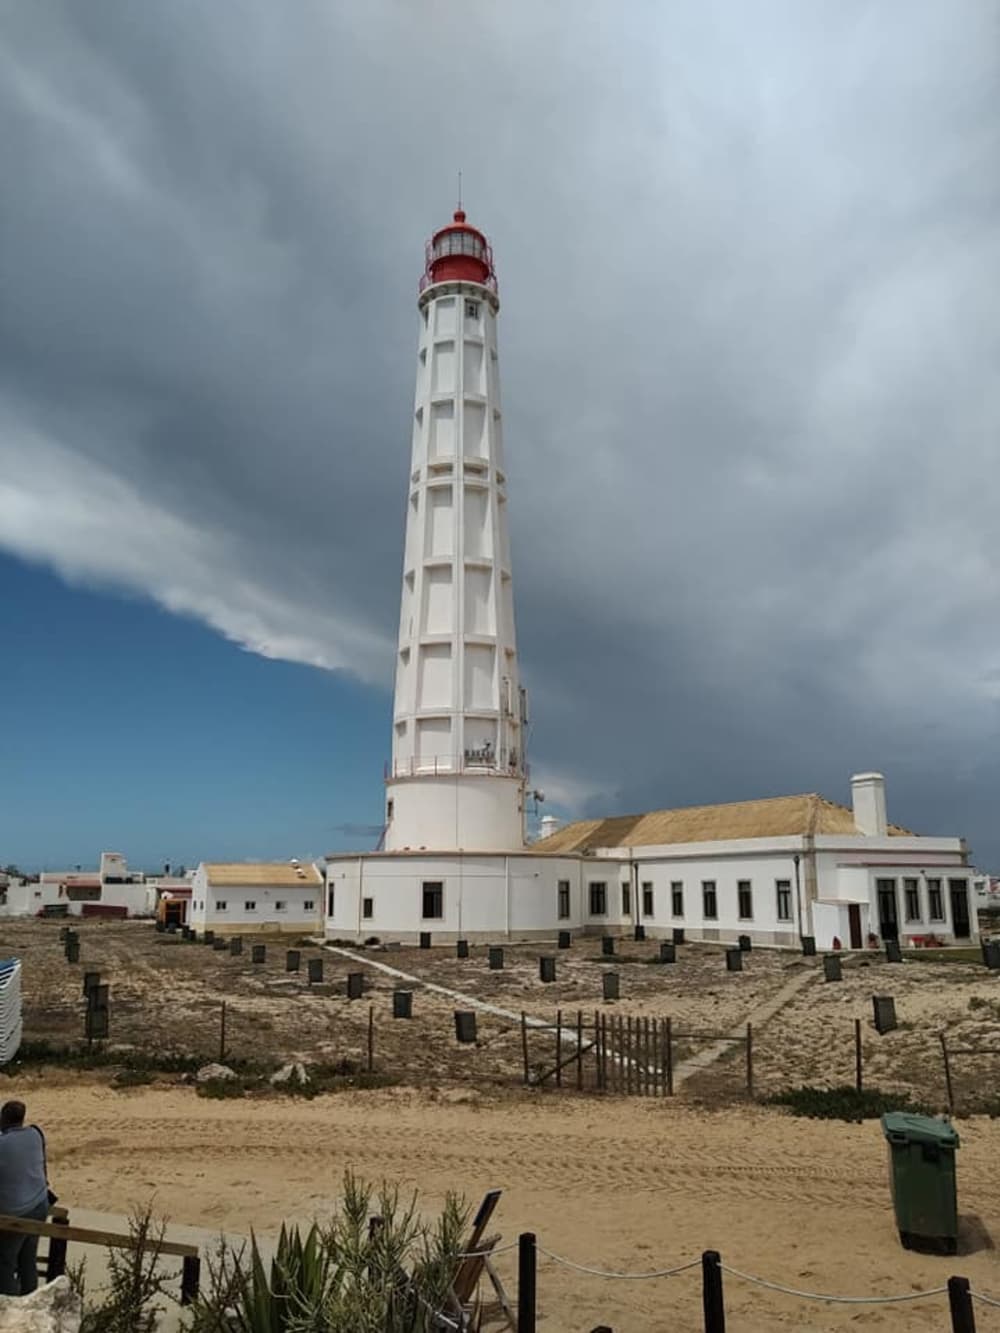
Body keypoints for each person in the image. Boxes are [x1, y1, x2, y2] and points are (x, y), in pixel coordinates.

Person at [0, 1101, 51, 1296]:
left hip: (16, 1212)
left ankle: (11, 1308)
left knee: (4, 1262)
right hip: (39, 1204)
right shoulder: (35, 1134)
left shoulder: (2, 1144)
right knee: (27, 1258)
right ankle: (31, 1299)